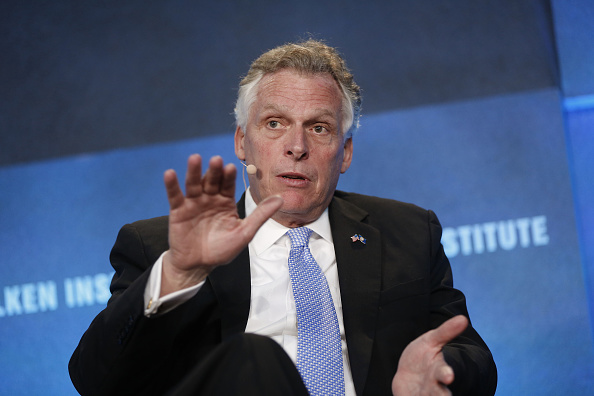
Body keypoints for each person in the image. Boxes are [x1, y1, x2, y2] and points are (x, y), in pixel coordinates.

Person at [69, 39, 497, 396]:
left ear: (344, 152)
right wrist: (182, 272)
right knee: (254, 356)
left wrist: (441, 372)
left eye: (319, 128)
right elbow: (95, 380)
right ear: (242, 142)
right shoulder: (161, 248)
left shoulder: (406, 231)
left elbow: (471, 355)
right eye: (274, 123)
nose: (296, 146)